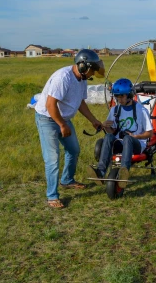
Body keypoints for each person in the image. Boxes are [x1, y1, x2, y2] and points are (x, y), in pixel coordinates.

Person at [34, 49, 104, 208]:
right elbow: (50, 105)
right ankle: (52, 196)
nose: (93, 73)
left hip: (63, 118)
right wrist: (62, 125)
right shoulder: (63, 78)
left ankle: (67, 180)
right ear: (83, 66)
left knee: (73, 150)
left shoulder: (83, 78)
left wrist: (93, 120)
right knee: (52, 159)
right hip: (47, 118)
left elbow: (80, 102)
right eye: (92, 69)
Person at [87, 78, 153, 194]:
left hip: (136, 144)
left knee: (128, 138)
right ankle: (100, 172)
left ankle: (124, 173)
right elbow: (112, 132)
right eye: (117, 96)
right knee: (107, 137)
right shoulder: (115, 110)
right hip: (120, 142)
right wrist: (106, 127)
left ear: (130, 95)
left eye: (122, 96)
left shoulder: (141, 110)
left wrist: (136, 137)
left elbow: (150, 133)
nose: (119, 99)